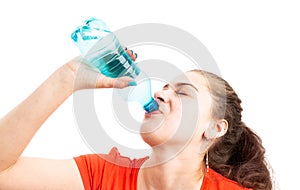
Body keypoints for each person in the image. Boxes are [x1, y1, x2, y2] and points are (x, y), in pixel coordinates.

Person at [0, 49, 273, 190]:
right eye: (165, 87)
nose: (161, 93)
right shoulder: (101, 176)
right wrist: (67, 78)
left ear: (214, 128)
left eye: (183, 94)